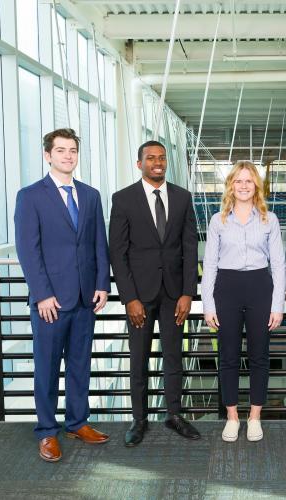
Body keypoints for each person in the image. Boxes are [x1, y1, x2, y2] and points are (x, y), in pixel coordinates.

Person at [14, 128, 111, 463]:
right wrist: (41, 294)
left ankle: (77, 422)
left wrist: (102, 284)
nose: (67, 156)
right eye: (60, 150)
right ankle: (46, 432)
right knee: (47, 367)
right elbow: (28, 249)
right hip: (50, 302)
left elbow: (99, 243)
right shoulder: (30, 196)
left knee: (80, 364)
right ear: (47, 155)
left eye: (72, 150)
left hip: (86, 297)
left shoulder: (91, 195)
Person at [109, 140, 200, 447]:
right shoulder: (123, 200)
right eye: (151, 158)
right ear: (140, 164)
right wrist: (129, 298)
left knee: (174, 356)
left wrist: (189, 292)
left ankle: (174, 415)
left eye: (161, 158)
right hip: (140, 296)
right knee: (139, 359)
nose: (157, 162)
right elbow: (117, 253)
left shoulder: (183, 197)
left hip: (175, 294)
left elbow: (189, 247)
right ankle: (139, 419)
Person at [201, 161, 285, 443]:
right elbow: (209, 264)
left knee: (260, 355)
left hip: (261, 286)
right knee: (228, 356)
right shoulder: (218, 220)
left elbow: (279, 265)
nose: (244, 186)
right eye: (239, 181)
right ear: (231, 186)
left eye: (250, 181)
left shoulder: (269, 219)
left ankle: (255, 417)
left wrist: (277, 305)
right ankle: (233, 417)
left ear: (256, 186)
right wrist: (208, 305)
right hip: (227, 288)